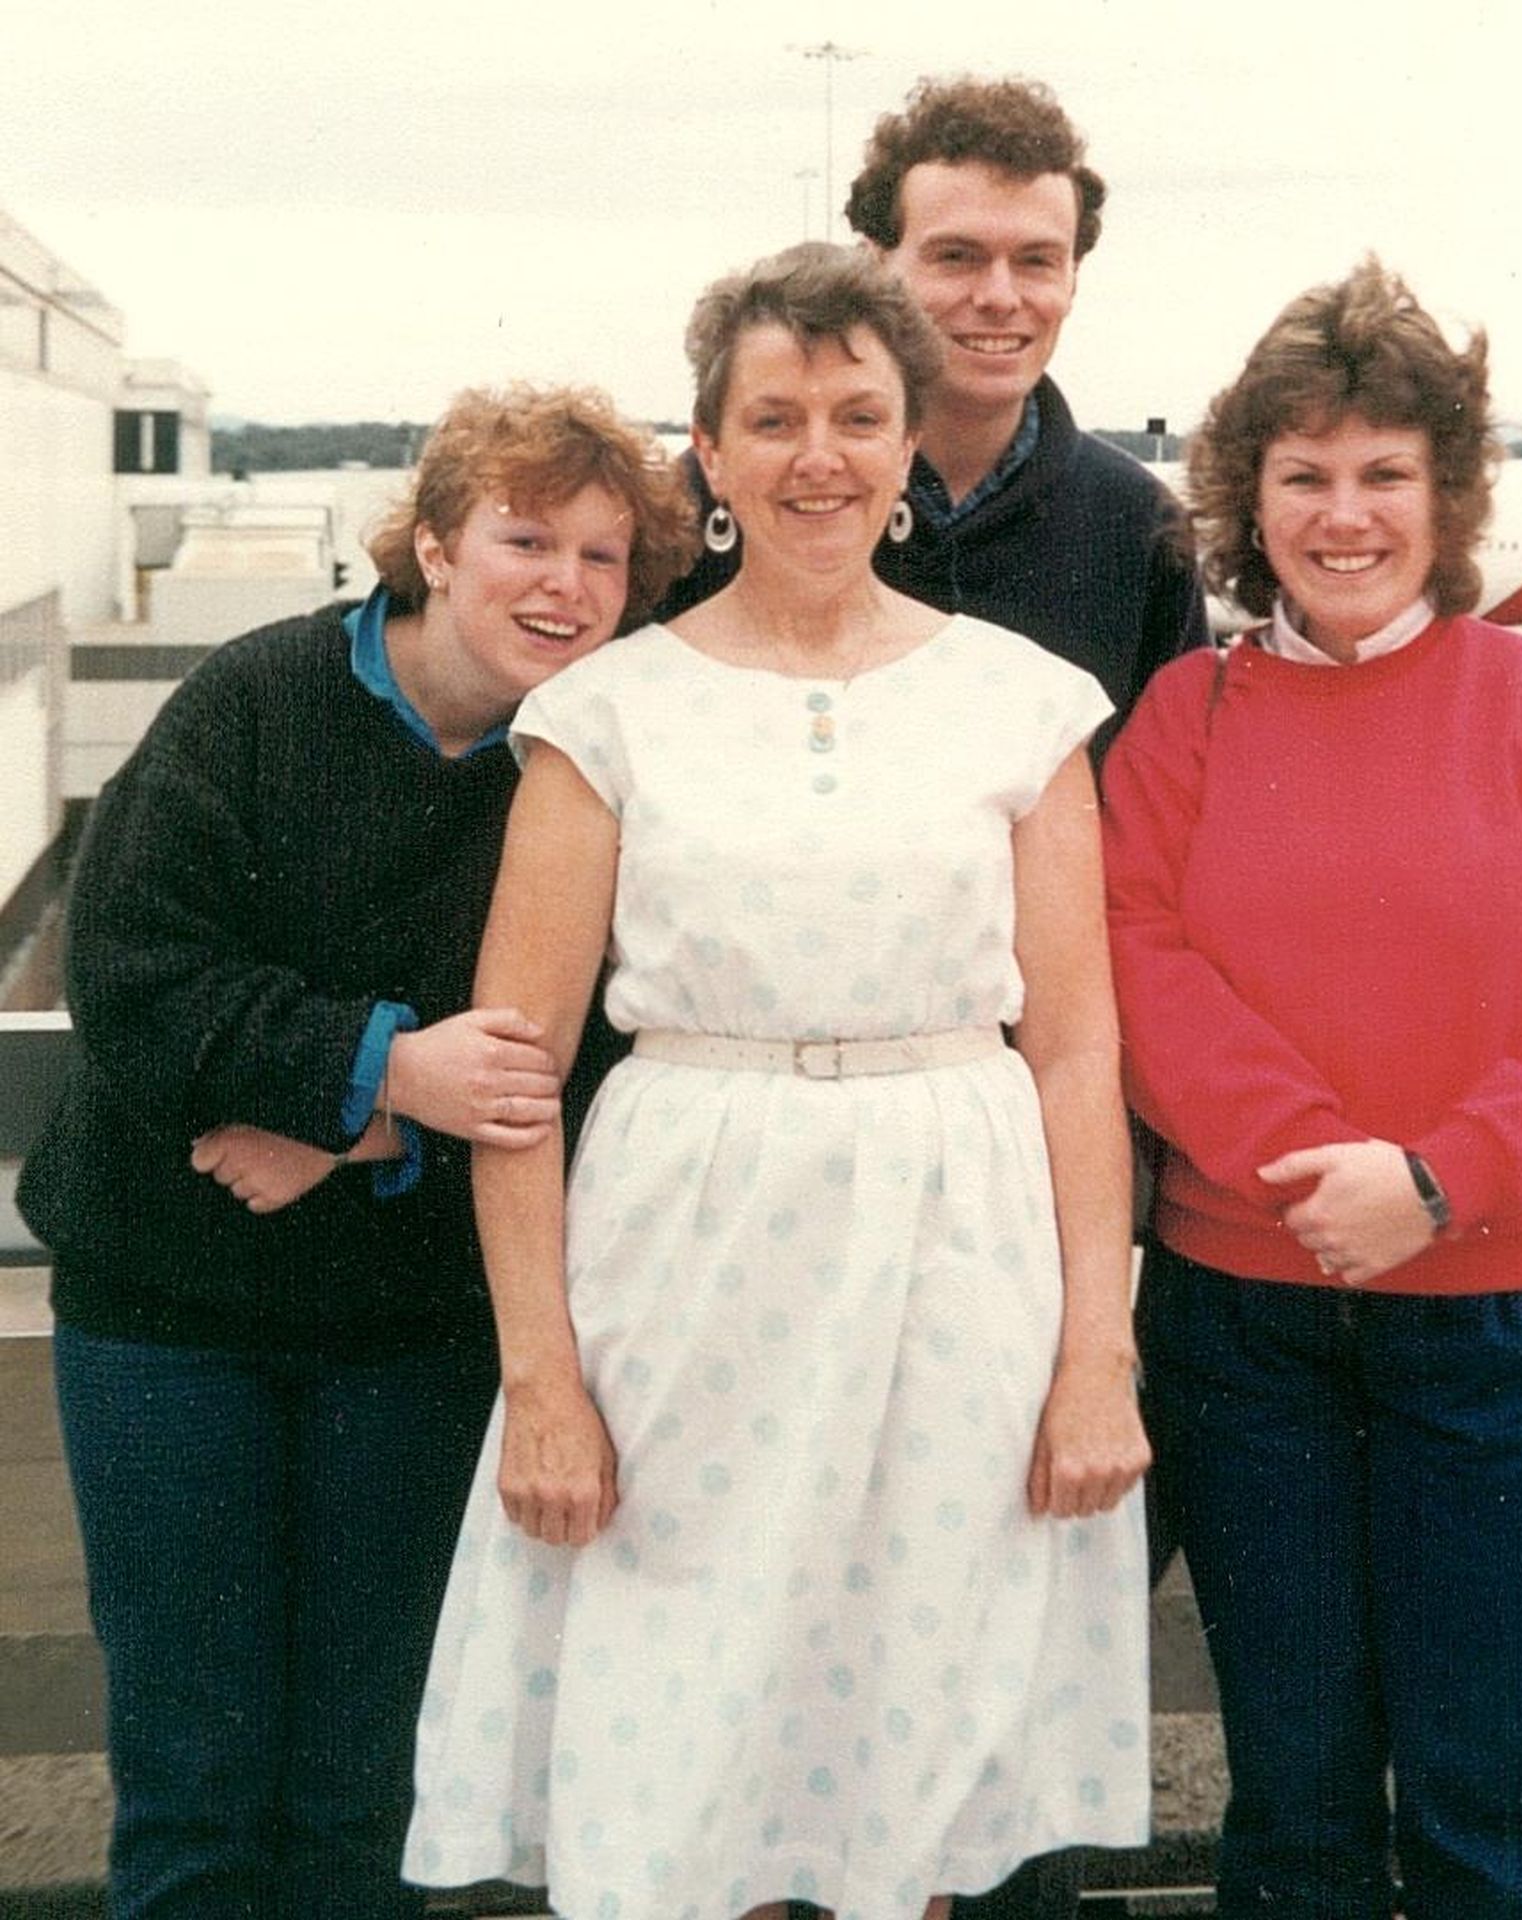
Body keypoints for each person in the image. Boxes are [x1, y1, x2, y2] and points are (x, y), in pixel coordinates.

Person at [404, 242, 1152, 1920]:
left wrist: (1092, 1346)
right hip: (686, 1264)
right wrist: (543, 1382)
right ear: (711, 453)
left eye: (855, 416)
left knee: (914, 1752)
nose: (817, 454)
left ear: (902, 447)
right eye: (774, 417)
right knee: (689, 1768)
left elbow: (1076, 1045)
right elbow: (515, 1077)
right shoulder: (604, 717)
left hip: (955, 1262)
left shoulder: (1022, 709)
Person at [17, 385, 697, 1920]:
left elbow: (598, 1040)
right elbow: (129, 968)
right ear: (437, 543)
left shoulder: (592, 765)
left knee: (363, 1785)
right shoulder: (256, 702)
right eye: (525, 538)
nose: (563, 586)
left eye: (602, 558)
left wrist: (354, 1129)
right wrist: (383, 1068)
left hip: (411, 1330)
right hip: (171, 1314)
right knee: (194, 1784)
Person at [1100, 258, 1522, 1920]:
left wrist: (1436, 1179)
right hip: (1247, 1340)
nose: (1341, 514)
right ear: (1247, 497)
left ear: (1444, 496)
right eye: (1301, 475)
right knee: (1288, 1817)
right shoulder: (1182, 719)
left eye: (1382, 474)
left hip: (1513, 1340)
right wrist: (1315, 1167)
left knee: (1486, 1826)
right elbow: (1134, 964)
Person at [660, 74, 1208, 736]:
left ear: (1072, 279)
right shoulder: (695, 505)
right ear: (874, 264)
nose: (1000, 296)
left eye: (1036, 261)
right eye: (957, 257)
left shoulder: (1137, 528)